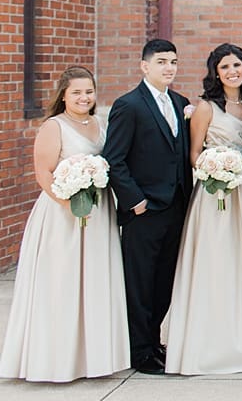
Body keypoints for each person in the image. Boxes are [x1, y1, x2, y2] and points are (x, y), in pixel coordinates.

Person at [0, 67, 130, 382]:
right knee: (62, 285)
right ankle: (55, 359)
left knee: (95, 283)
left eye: (88, 92)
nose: (84, 98)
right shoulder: (53, 127)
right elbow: (43, 174)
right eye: (76, 92)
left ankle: (92, 358)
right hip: (62, 218)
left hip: (98, 215)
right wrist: (70, 204)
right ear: (63, 95)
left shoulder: (101, 124)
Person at [165, 44, 242, 374]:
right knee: (215, 262)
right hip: (216, 197)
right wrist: (215, 171)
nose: (231, 71)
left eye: (236, 65)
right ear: (215, 73)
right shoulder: (207, 108)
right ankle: (207, 342)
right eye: (224, 67)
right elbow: (194, 154)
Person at [103, 39, 192, 375]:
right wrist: (135, 201)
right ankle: (140, 351)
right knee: (140, 281)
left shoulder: (180, 102)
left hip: (176, 206)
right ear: (144, 66)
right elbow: (114, 159)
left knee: (164, 281)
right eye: (161, 62)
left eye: (173, 61)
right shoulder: (129, 105)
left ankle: (154, 341)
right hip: (144, 210)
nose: (169, 67)